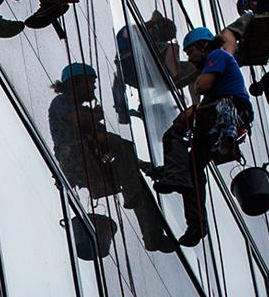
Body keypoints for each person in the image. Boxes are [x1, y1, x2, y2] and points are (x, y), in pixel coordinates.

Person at [48, 62, 177, 252]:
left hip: (88, 163)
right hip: (73, 157)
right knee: (118, 144)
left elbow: (111, 146)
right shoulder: (61, 102)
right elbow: (77, 120)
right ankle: (131, 193)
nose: (93, 87)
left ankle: (153, 236)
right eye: (90, 83)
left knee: (138, 183)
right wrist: (95, 115)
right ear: (76, 83)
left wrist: (140, 165)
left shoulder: (81, 110)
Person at [153, 26, 252, 245]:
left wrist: (197, 90)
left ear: (203, 46)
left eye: (190, 52)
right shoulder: (217, 58)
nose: (189, 57)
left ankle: (175, 176)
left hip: (223, 110)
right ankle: (196, 226)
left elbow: (203, 85)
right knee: (194, 168)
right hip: (219, 112)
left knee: (173, 134)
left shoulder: (217, 55)